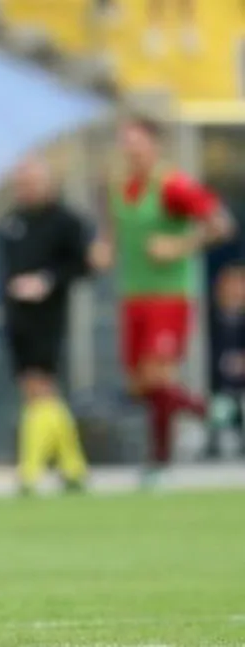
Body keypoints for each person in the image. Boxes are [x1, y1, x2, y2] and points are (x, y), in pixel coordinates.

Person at [92, 117, 233, 487]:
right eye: (126, 142)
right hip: (133, 293)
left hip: (169, 295)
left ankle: (162, 458)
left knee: (157, 375)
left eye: (137, 142)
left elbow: (220, 224)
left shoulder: (172, 185)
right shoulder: (118, 186)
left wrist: (179, 246)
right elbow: (111, 231)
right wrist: (104, 249)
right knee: (140, 386)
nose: (131, 149)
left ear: (154, 145)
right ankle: (210, 412)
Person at [0, 157, 92, 495]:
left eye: (33, 181)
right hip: (16, 315)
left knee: (40, 385)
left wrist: (46, 281)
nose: (27, 189)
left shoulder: (65, 221)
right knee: (37, 388)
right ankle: (72, 465)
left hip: (47, 314)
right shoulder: (11, 222)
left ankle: (31, 470)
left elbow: (81, 264)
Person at [205, 263, 245, 458]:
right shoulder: (207, 320)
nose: (236, 290)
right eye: (230, 284)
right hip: (216, 390)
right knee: (219, 407)